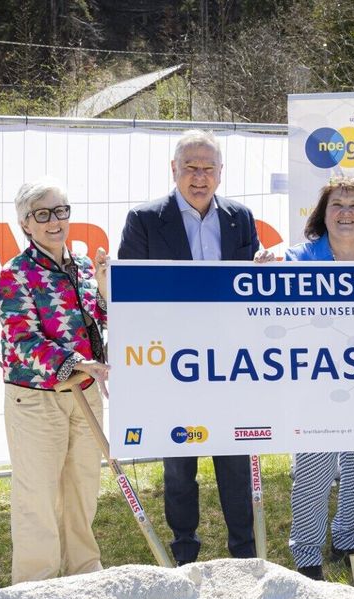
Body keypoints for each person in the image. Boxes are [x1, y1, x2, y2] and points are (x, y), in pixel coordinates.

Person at [117, 129, 258, 564]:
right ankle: (185, 553)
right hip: (172, 365)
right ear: (173, 170)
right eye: (191, 167)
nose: (200, 176)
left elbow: (250, 287)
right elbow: (131, 297)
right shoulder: (144, 219)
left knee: (235, 461)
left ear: (221, 173)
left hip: (231, 364)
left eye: (208, 168)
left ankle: (245, 554)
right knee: (179, 465)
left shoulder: (240, 217)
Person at [254, 177, 354, 581]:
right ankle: (307, 554)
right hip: (315, 384)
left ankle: (349, 537)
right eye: (337, 205)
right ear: (323, 214)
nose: (346, 213)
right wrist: (269, 273)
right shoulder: (298, 259)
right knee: (315, 468)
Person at [0, 178, 112, 583]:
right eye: (41, 214)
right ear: (25, 223)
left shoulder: (83, 266)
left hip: (84, 394)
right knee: (38, 496)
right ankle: (35, 584)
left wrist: (103, 290)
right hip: (36, 399)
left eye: (60, 211)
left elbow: (100, 323)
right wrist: (76, 362)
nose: (53, 221)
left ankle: (84, 573)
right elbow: (22, 338)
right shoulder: (15, 273)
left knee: (82, 489)